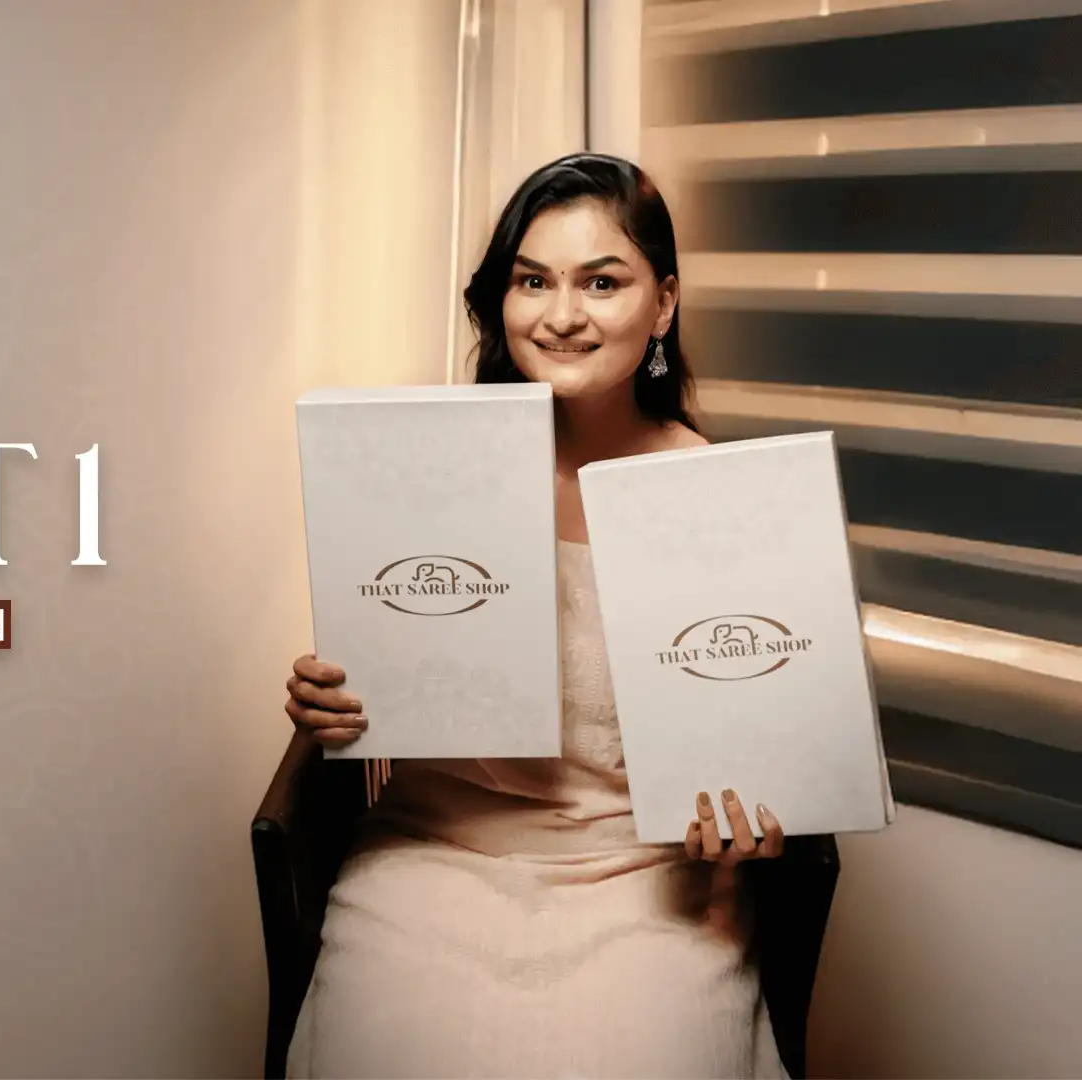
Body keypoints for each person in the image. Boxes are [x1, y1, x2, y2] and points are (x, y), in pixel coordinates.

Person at [283, 153, 789, 1079]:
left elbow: (763, 728)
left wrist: (761, 810)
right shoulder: (426, 470)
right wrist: (331, 702)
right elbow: (387, 669)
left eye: (602, 281)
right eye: (533, 281)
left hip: (645, 883)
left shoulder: (717, 499)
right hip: (428, 858)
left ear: (664, 304)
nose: (561, 315)